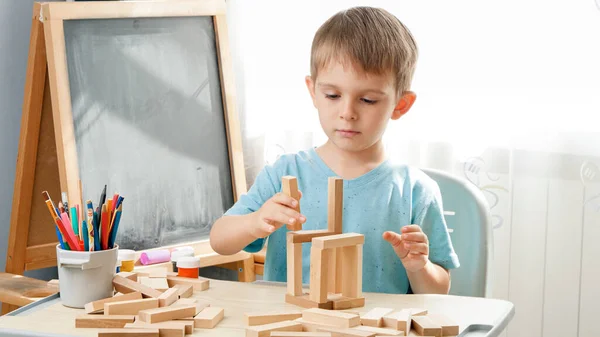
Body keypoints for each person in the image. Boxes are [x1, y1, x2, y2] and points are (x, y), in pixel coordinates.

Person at [210, 6, 459, 294]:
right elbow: (220, 240)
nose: (347, 112)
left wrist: (419, 266)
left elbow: (438, 292)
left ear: (400, 105)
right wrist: (256, 221)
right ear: (313, 91)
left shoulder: (415, 191)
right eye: (333, 95)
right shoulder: (285, 173)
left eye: (367, 100)